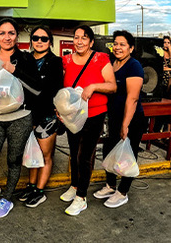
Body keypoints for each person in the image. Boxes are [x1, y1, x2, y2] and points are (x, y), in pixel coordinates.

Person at [0, 18, 42, 218]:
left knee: (13, 159)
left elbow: (37, 88)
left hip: (21, 117)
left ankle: (8, 198)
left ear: (16, 36)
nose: (7, 37)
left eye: (11, 33)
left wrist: (15, 71)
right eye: (2, 33)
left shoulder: (26, 59)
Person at [59, 25, 116, 216]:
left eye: (84, 38)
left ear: (91, 41)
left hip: (94, 114)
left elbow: (112, 86)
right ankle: (75, 186)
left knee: (85, 156)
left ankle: (81, 197)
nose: (79, 41)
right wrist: (60, 109)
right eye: (76, 37)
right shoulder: (66, 60)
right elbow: (62, 90)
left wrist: (93, 86)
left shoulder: (101, 58)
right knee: (74, 153)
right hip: (72, 116)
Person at [95, 30, 147, 208]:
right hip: (115, 117)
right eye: (115, 43)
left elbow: (132, 98)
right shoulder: (112, 63)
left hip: (132, 119)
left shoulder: (134, 66)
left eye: (122, 44)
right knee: (109, 150)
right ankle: (110, 185)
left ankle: (123, 192)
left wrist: (125, 125)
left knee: (127, 156)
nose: (117, 47)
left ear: (131, 48)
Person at [18, 26, 63, 208]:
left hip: (46, 117)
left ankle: (40, 190)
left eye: (44, 39)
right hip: (26, 114)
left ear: (50, 42)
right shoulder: (25, 59)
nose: (39, 41)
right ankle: (31, 186)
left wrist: (36, 118)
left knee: (44, 155)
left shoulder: (55, 62)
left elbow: (52, 91)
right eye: (36, 38)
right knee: (31, 153)